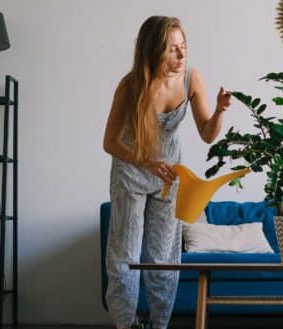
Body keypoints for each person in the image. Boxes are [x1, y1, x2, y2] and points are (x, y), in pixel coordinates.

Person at [102, 16, 231, 329]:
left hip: (169, 178)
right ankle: (125, 324)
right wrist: (146, 162)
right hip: (131, 175)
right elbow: (110, 142)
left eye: (183, 48)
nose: (181, 56)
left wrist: (219, 112)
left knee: (163, 259)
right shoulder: (130, 86)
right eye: (172, 50)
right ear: (153, 51)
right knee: (125, 257)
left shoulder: (190, 79)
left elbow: (207, 134)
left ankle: (158, 324)